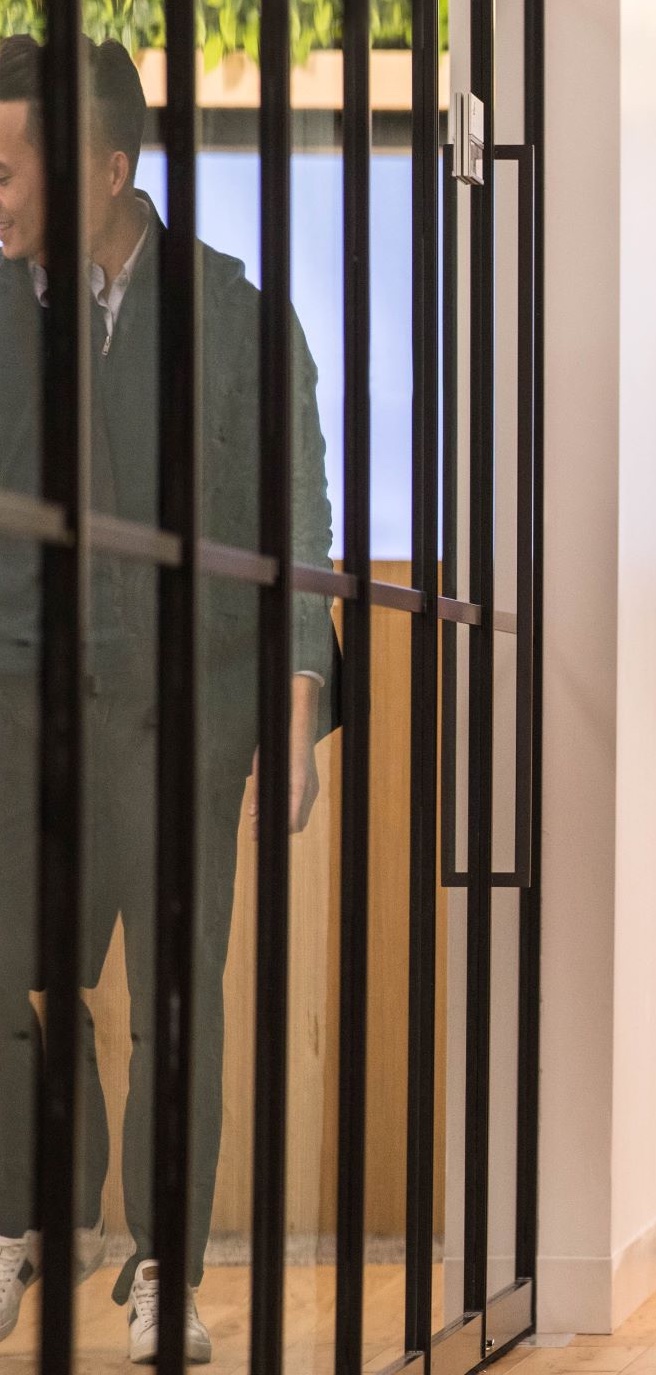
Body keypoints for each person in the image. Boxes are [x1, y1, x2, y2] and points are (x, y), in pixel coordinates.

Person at [0, 34, 336, 1362]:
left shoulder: (237, 317)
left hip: (180, 715)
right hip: (20, 710)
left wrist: (300, 693)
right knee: (16, 983)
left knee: (175, 1003)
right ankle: (28, 1210)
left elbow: (297, 508)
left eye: (12, 164)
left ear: (104, 166)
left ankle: (161, 1266)